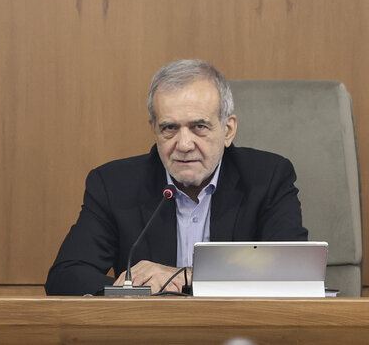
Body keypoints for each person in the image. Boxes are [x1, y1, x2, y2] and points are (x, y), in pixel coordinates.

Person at [45, 59, 307, 295]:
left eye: (199, 127)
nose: (184, 144)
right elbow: (66, 275)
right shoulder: (114, 185)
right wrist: (129, 290)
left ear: (228, 130)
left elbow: (293, 272)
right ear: (154, 130)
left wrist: (184, 276)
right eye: (169, 128)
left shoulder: (268, 177)